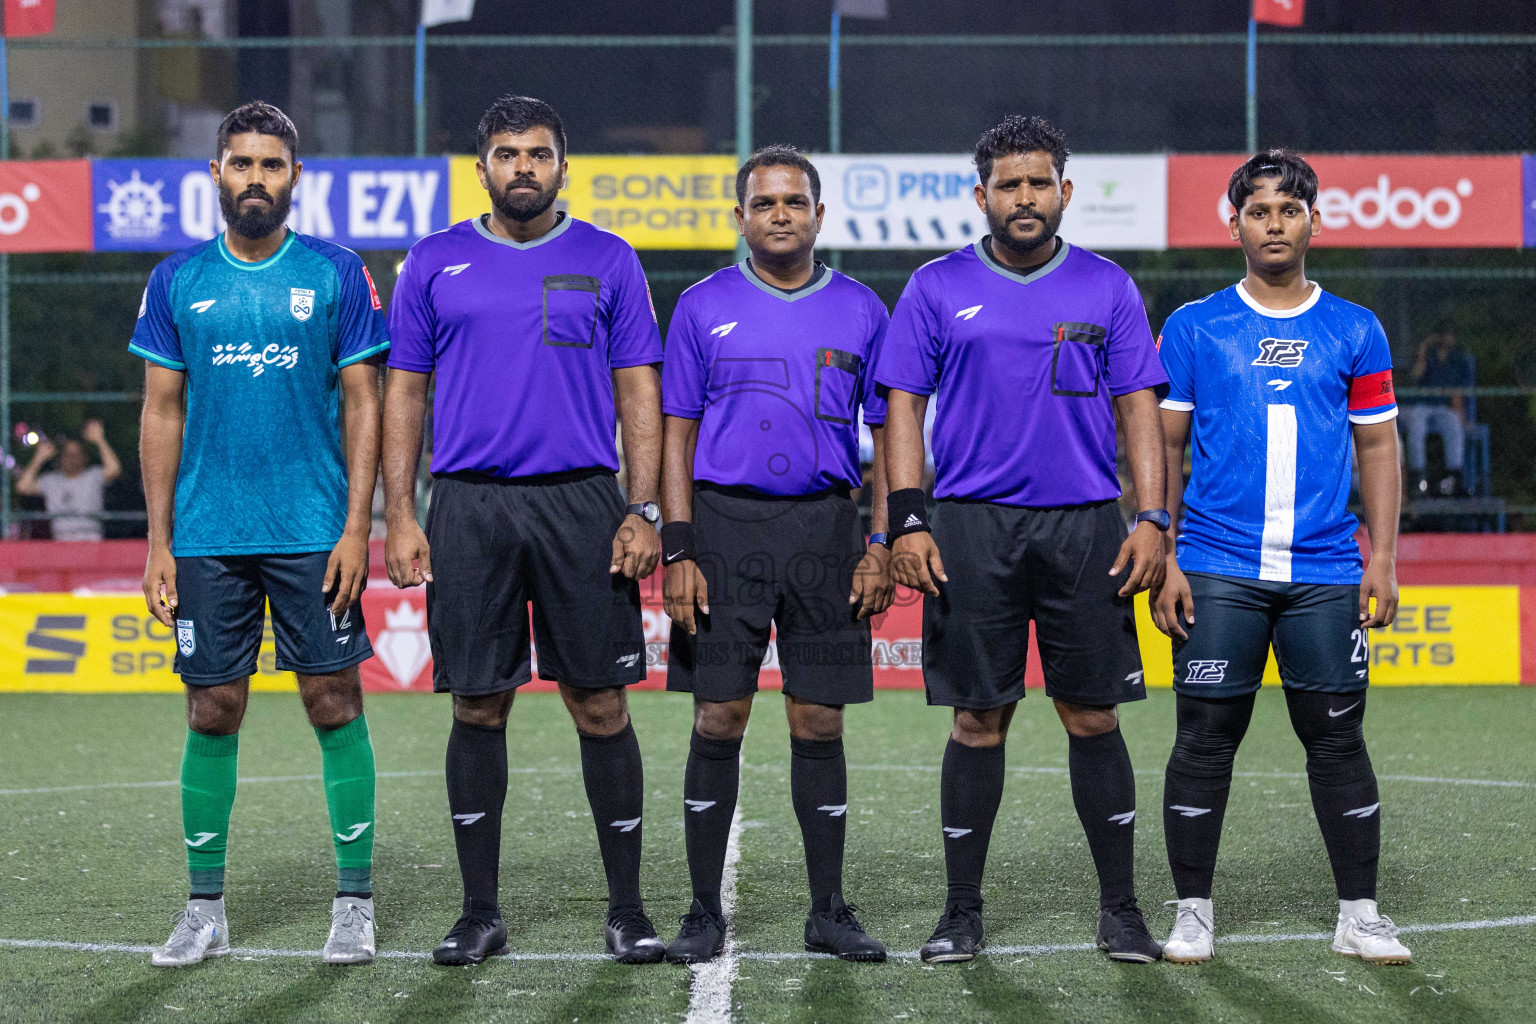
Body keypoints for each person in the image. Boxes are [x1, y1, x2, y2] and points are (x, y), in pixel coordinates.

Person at [877, 115, 1169, 965]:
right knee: (978, 718)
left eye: (1040, 182)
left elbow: (1139, 407)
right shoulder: (934, 287)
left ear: (1065, 192)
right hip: (971, 526)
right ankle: (960, 913)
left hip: (1086, 526)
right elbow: (902, 405)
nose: (1026, 197)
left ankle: (1120, 909)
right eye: (1010, 184)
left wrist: (1151, 519)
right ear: (982, 197)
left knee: (1091, 714)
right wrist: (906, 517)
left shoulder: (1108, 287)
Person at [382, 95, 667, 967]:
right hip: (468, 505)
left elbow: (639, 394)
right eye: (506, 154)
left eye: (538, 154)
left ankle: (627, 909)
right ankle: (479, 911)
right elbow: (404, 392)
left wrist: (643, 507)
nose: (523, 168)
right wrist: (400, 511)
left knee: (601, 702)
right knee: (478, 702)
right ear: (482, 169)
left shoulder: (610, 259)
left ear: (563, 166)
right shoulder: (433, 263)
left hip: (584, 502)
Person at [132, 101, 389, 967]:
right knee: (212, 707)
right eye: (240, 164)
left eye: (271, 166)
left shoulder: (337, 274)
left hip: (315, 531)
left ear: (294, 178)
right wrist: (158, 540)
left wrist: (361, 525)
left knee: (332, 702)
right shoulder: (176, 280)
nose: (255, 179)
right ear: (216, 173)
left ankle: (354, 902)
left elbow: (364, 400)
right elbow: (161, 412)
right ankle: (204, 908)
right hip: (207, 533)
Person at [1151, 149, 1412, 966]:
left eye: (1289, 210)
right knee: (1202, 741)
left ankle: (1359, 913)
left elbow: (1379, 448)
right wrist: (1164, 552)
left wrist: (1384, 557)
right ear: (1234, 224)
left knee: (1338, 742)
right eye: (1258, 210)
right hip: (1217, 566)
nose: (1274, 223)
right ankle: (1193, 910)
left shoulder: (1355, 328)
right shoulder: (1195, 326)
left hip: (1327, 572)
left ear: (1314, 222)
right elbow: (1161, 444)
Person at [660, 146, 893, 964]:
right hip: (723, 529)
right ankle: (700, 912)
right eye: (764, 204)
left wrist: (880, 539)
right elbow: (674, 432)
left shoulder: (863, 309)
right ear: (741, 217)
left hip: (828, 529)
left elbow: (889, 431)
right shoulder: (699, 306)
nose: (781, 215)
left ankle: (828, 909)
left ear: (820, 215)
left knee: (817, 716)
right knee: (718, 713)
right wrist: (677, 547)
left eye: (795, 202)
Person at [14, 420, 122, 541]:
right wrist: (39, 457)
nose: (72, 459)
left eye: (76, 454)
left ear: (84, 457)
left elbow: (114, 469)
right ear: (60, 458)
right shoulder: (51, 480)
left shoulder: (93, 475)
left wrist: (100, 440)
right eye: (67, 455)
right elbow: (22, 487)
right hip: (61, 541)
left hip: (91, 539)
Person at [1401, 327, 1473, 496]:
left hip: (1441, 408)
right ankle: (1419, 479)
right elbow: (1415, 376)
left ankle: (1453, 478)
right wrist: (1424, 347)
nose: (1446, 339)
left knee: (1454, 422)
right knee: (1417, 425)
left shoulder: (1457, 360)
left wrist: (1463, 418)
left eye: (1450, 335)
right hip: (1418, 406)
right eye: (1443, 335)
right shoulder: (1426, 354)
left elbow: (1457, 395)